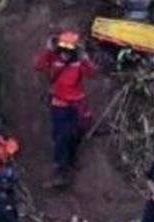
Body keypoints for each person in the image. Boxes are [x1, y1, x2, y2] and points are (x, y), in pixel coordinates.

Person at [33, 30, 95, 187]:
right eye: (63, 51)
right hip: (59, 104)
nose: (65, 55)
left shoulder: (79, 62)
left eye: (69, 52)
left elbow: (91, 73)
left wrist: (85, 58)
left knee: (76, 133)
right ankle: (60, 171)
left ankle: (71, 159)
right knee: (61, 136)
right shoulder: (53, 58)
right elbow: (38, 66)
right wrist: (47, 49)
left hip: (76, 104)